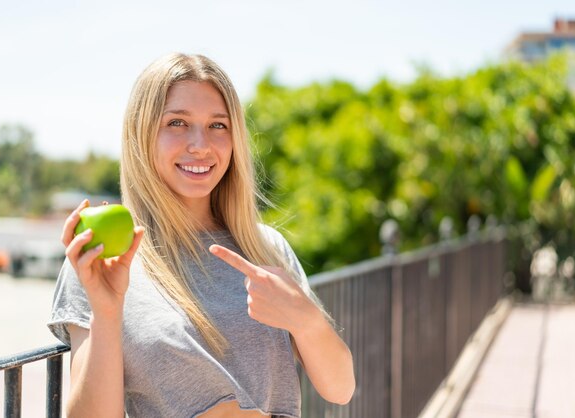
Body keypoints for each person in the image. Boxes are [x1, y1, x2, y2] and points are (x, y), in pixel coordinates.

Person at [48, 52, 355, 418]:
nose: (201, 145)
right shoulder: (106, 258)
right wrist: (106, 311)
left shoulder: (265, 247)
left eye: (218, 125)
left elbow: (340, 388)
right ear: (141, 133)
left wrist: (305, 319)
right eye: (177, 123)